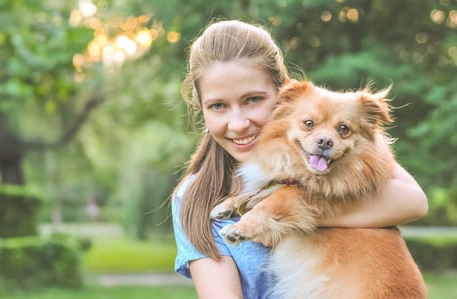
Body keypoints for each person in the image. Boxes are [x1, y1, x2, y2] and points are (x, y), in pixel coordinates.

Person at [171, 19, 428, 299]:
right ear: (202, 110)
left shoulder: (337, 165)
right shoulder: (194, 198)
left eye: (253, 100)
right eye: (218, 106)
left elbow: (415, 201)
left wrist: (288, 211)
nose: (239, 123)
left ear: (281, 96)